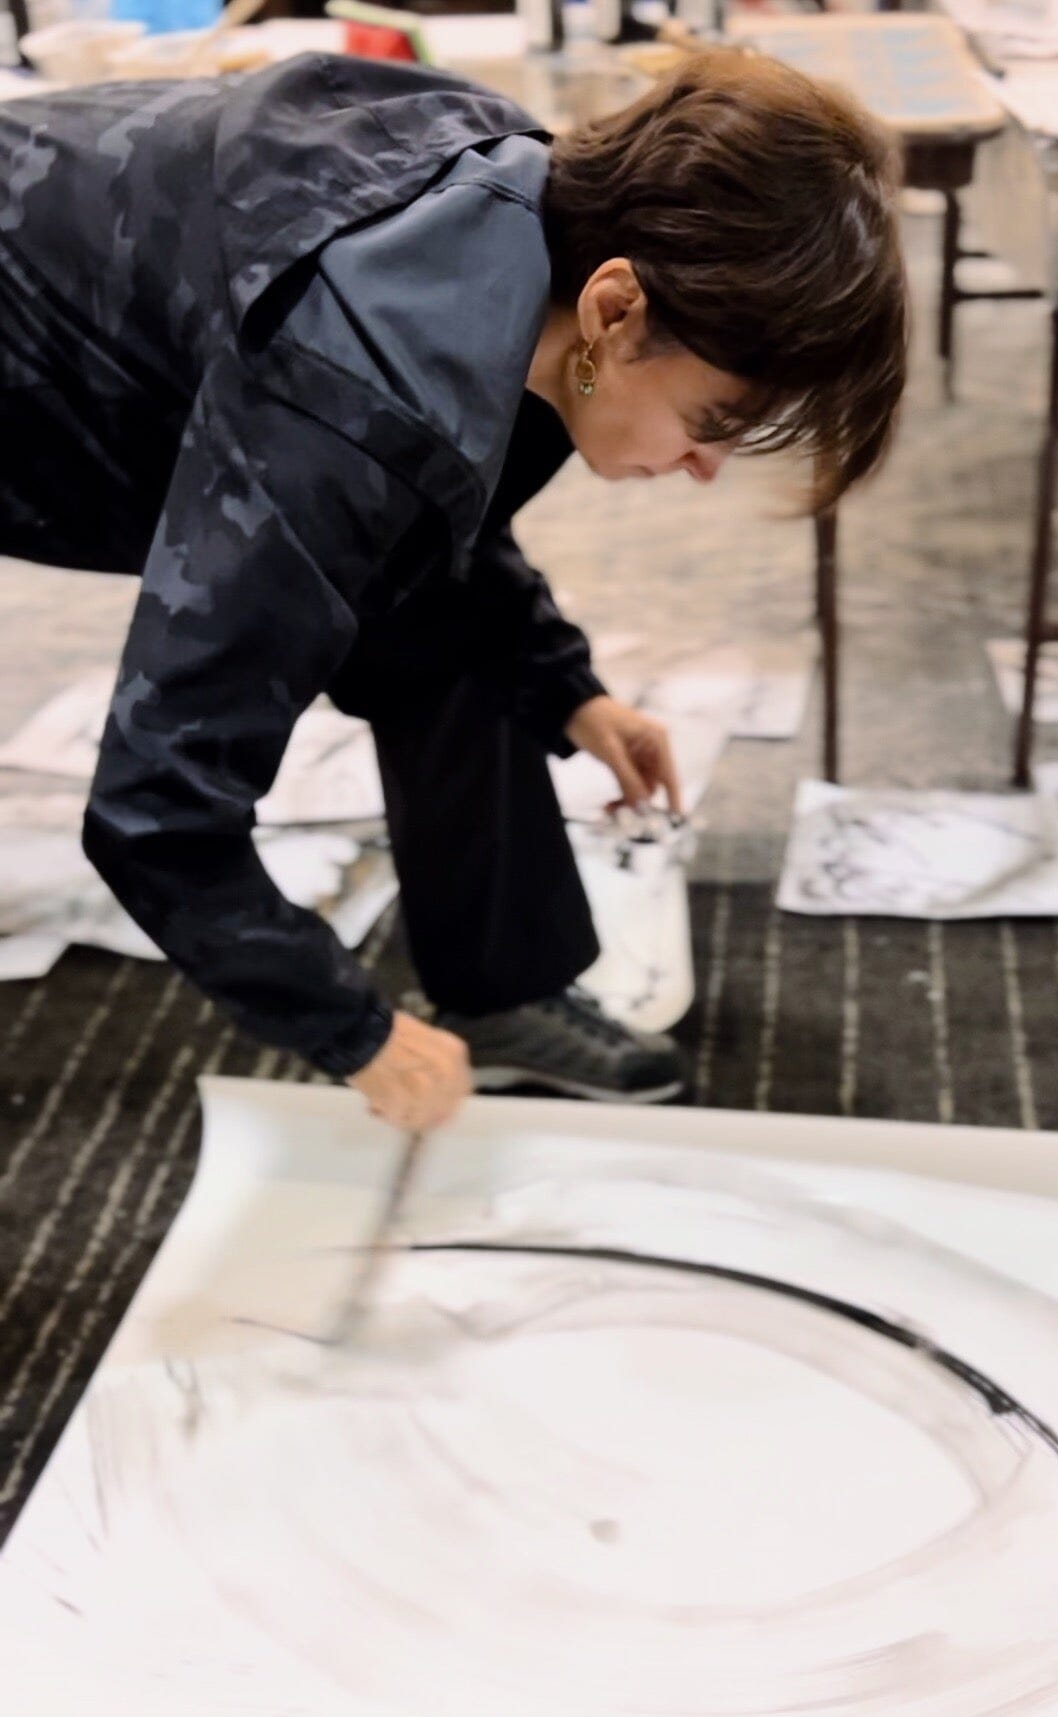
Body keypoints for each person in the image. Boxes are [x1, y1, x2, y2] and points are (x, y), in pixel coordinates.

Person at [0, 46, 906, 1130]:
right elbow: (155, 810)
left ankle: (501, 992)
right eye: (711, 422)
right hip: (35, 367)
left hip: (139, 333)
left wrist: (565, 688)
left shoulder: (530, 240)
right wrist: (352, 1031)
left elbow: (439, 526)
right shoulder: (346, 391)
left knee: (433, 621)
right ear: (617, 307)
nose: (704, 467)